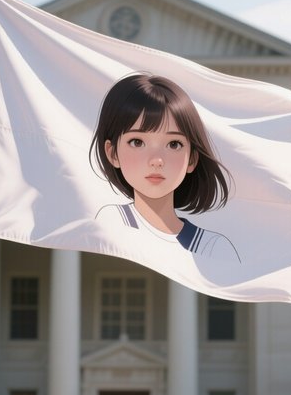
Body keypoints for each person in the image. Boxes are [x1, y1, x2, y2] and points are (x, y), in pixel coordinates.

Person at [90, 73, 239, 261]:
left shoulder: (213, 247)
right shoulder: (108, 221)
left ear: (192, 159)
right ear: (112, 153)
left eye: (174, 144)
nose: (157, 160)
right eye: (137, 142)